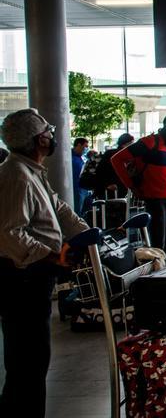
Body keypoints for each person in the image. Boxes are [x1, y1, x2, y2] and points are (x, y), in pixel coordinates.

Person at [0, 109, 88, 417]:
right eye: (48, 134)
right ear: (40, 140)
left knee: (35, 359)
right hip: (21, 280)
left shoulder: (31, 171)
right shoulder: (16, 176)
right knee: (27, 360)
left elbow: (59, 208)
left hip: (34, 277)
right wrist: (53, 255)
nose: (52, 138)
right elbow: (9, 234)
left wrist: (87, 233)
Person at [112, 114, 166, 252]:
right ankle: (158, 270)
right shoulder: (149, 142)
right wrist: (131, 186)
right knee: (158, 245)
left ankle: (164, 268)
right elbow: (117, 159)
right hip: (154, 199)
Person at [94, 133, 135, 199]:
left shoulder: (110, 153)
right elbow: (102, 171)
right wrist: (108, 184)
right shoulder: (114, 154)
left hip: (112, 188)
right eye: (132, 143)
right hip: (113, 190)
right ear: (126, 143)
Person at [71, 137, 89, 215]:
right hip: (77, 189)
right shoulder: (69, 157)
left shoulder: (82, 158)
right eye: (85, 146)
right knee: (78, 212)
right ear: (79, 145)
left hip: (84, 189)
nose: (86, 149)